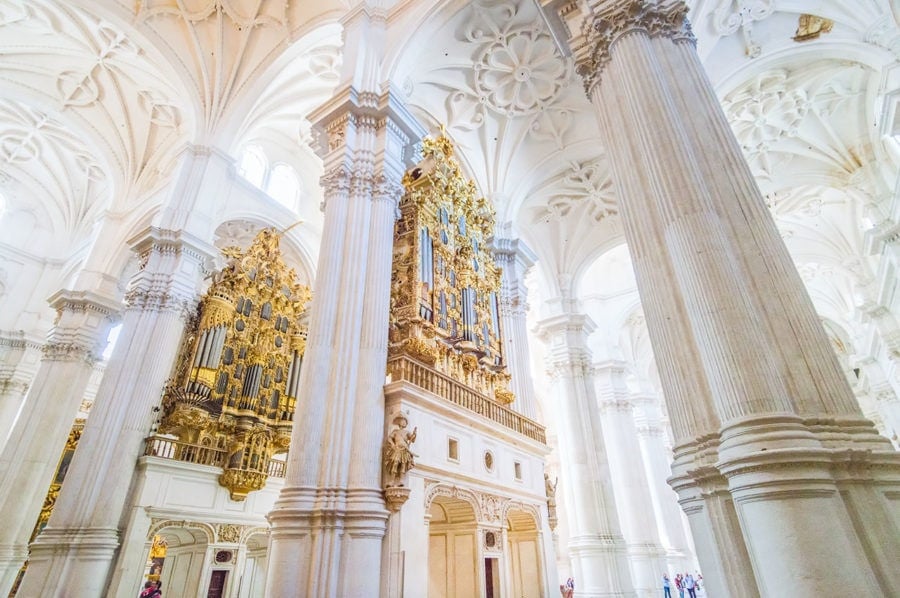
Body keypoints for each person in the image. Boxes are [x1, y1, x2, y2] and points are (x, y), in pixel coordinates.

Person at [383, 414, 417, 486]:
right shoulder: (395, 431)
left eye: (405, 422)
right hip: (397, 449)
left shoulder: (407, 432)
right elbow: (389, 438)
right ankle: (392, 481)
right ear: (399, 423)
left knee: (403, 464)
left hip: (405, 450)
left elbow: (412, 439)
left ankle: (401, 481)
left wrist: (414, 434)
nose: (403, 422)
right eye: (402, 421)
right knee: (395, 462)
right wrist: (393, 444)